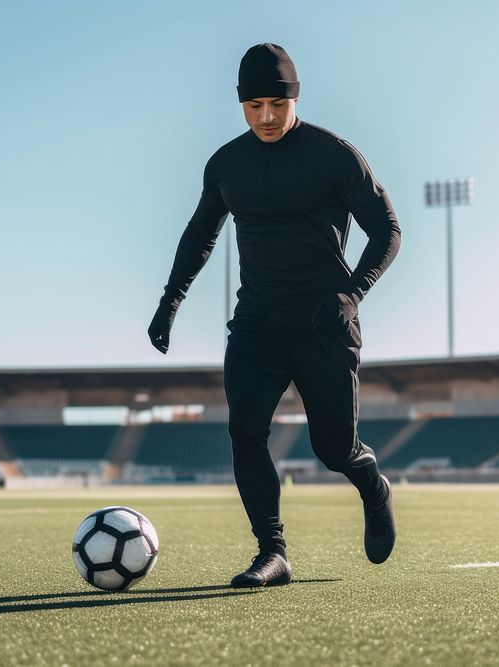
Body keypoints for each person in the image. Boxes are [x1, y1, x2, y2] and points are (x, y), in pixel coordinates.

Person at [148, 43, 401, 588]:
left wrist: (352, 296)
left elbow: (387, 232)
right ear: (241, 103)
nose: (266, 116)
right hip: (258, 320)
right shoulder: (226, 165)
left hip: (324, 322)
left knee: (334, 450)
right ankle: (273, 551)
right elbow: (199, 237)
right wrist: (170, 300)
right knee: (245, 431)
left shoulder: (334, 155)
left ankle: (372, 484)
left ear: (295, 98)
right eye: (254, 104)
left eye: (276, 104)